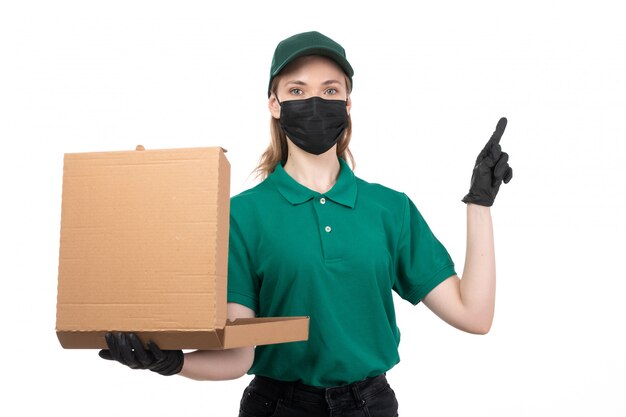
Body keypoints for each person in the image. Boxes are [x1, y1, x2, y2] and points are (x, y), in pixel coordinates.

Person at [98, 31, 513, 417]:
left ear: (348, 104)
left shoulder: (390, 209)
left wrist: (479, 204)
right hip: (278, 406)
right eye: (297, 91)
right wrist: (173, 362)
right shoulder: (242, 215)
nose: (314, 103)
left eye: (330, 91)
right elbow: (240, 354)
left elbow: (473, 315)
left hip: (370, 406)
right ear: (275, 105)